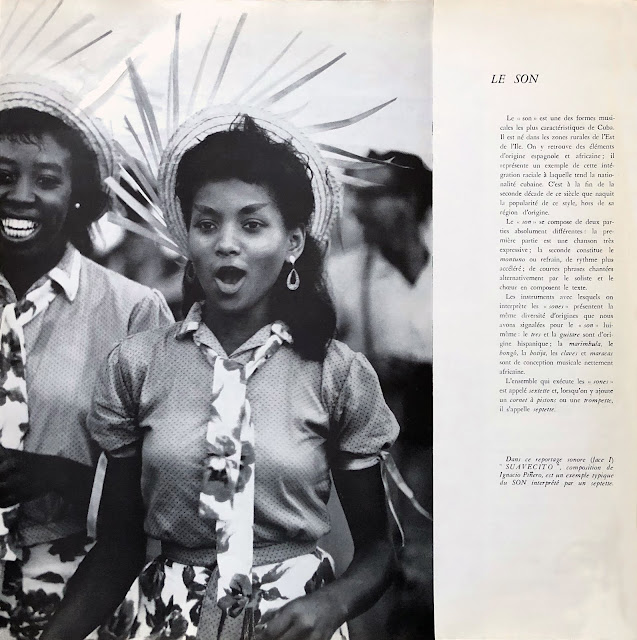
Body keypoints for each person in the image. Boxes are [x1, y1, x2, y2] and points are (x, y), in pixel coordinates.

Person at [42, 110, 400, 640]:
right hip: (168, 624)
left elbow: (381, 551)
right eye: (207, 224)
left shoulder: (336, 374)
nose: (226, 243)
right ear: (187, 237)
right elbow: (118, 548)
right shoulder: (138, 366)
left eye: (252, 224)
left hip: (290, 626)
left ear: (294, 242)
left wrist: (331, 604)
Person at [0, 78, 174, 639]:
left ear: (77, 195)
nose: (21, 195)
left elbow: (172, 481)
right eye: (3, 176)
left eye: (47, 180)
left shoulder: (132, 312)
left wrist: (65, 475)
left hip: (81, 594)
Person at [327, 152, 433, 639]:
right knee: (377, 586)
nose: (359, 209)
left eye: (373, 194)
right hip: (375, 466)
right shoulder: (342, 278)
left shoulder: (464, 276)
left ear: (408, 201)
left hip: (447, 461)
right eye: (356, 195)